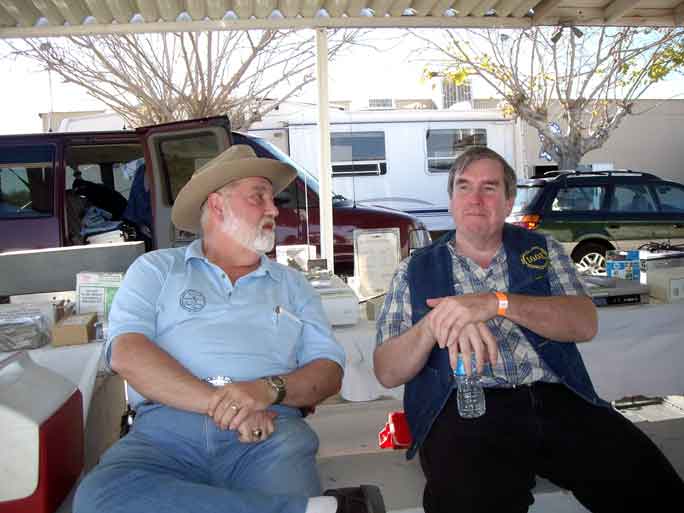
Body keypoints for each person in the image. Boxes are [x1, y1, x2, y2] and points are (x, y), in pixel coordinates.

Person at [74, 145, 385, 513]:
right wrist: (227, 404)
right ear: (217, 205)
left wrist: (268, 389)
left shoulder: (293, 284)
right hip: (165, 436)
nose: (274, 210)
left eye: (272, 199)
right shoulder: (156, 269)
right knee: (97, 499)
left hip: (268, 435)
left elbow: (329, 372)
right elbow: (127, 352)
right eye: (258, 197)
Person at [373, 146, 683, 513]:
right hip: (465, 409)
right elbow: (387, 371)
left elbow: (584, 323)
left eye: (489, 188)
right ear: (451, 200)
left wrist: (497, 302)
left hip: (557, 400)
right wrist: (434, 324)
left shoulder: (542, 250)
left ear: (508, 202)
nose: (475, 198)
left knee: (653, 487)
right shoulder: (415, 269)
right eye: (464, 186)